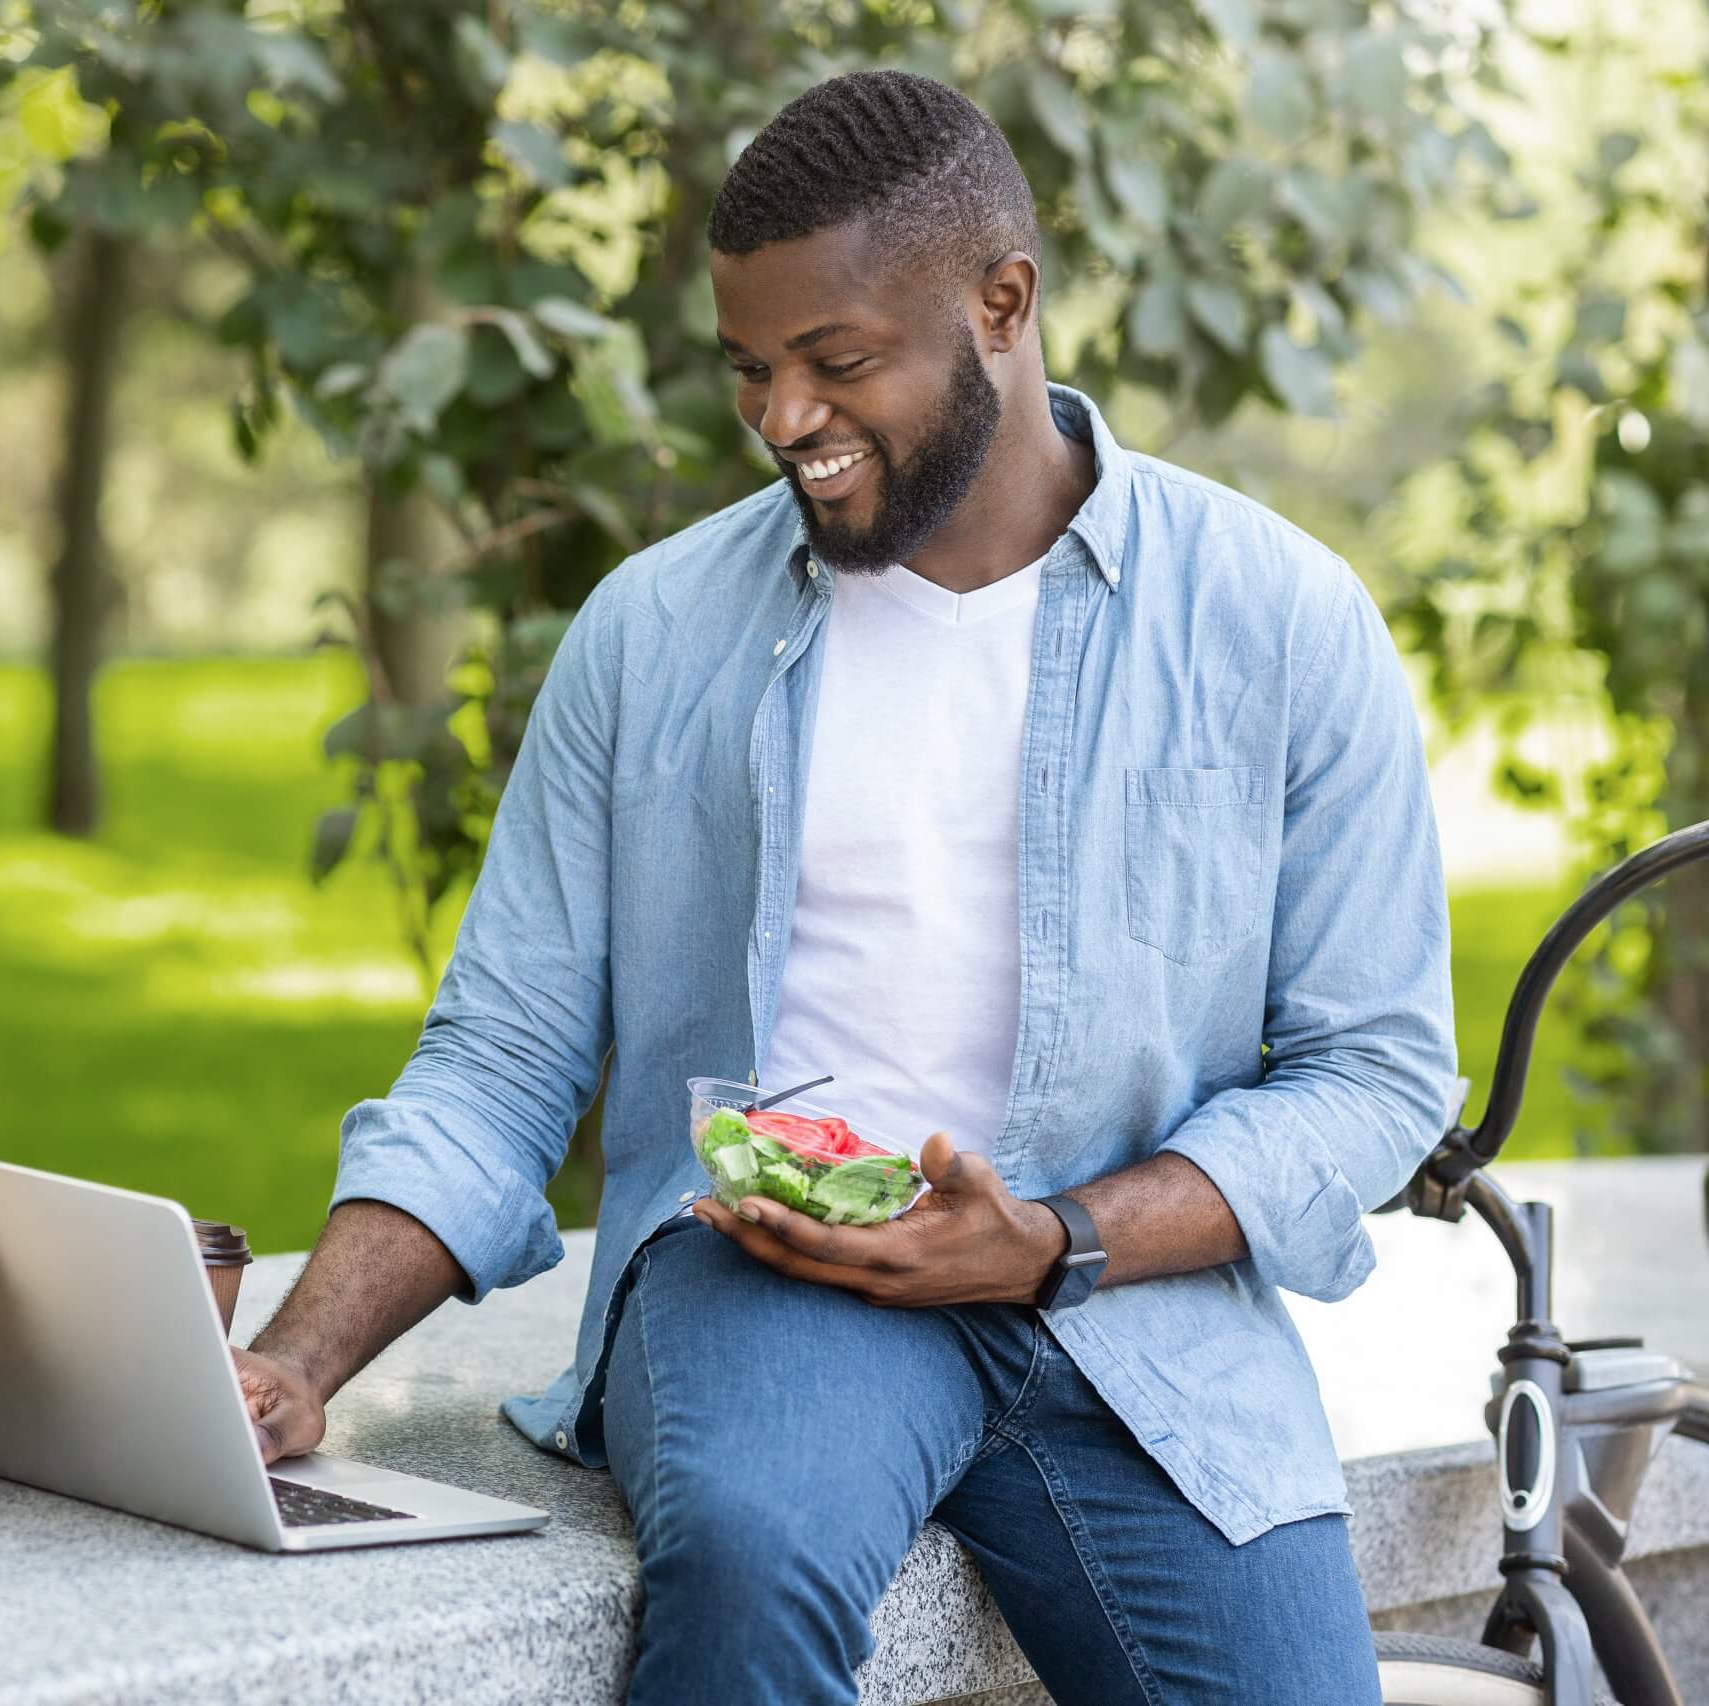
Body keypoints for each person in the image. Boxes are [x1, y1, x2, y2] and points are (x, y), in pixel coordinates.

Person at [233, 69, 1453, 1705]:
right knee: (748, 1561)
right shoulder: (654, 634)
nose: (782, 418)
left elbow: (1377, 1069)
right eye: (751, 367)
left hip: (1138, 1305)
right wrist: (295, 1362)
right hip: (775, 1272)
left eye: (839, 363)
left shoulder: (1281, 623)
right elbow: (504, 1055)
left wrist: (1054, 1239)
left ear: (1002, 304)